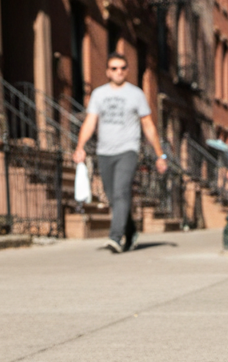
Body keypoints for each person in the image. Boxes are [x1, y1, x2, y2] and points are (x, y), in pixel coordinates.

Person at [73, 52, 168, 253]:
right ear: (108, 71)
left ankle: (115, 237)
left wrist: (160, 155)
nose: (119, 72)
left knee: (121, 191)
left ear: (127, 70)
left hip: (128, 150)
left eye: (123, 68)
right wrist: (80, 146)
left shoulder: (136, 94)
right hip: (104, 152)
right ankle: (131, 230)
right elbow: (90, 122)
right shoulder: (99, 94)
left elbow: (148, 125)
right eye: (114, 68)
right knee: (112, 196)